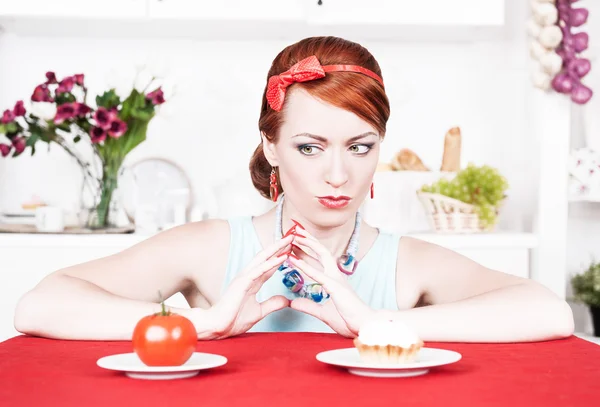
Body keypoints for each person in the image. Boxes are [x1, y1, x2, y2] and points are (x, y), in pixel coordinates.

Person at [14, 36, 573, 343]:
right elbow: (41, 305)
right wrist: (206, 323)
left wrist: (375, 321)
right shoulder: (207, 247)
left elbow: (550, 313)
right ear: (272, 146)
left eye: (360, 146)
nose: (338, 175)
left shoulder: (408, 262)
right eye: (311, 147)